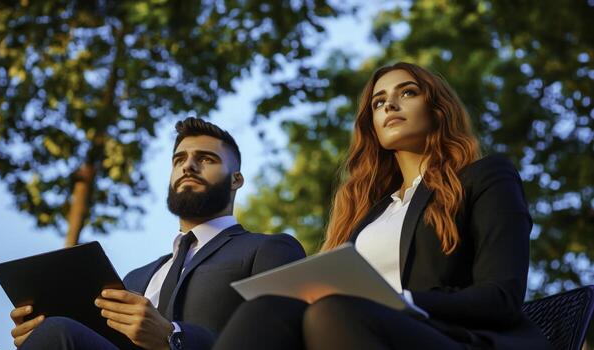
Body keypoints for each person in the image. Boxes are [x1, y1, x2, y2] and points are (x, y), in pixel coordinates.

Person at [211, 62, 552, 350]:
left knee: (332, 310)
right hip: (350, 330)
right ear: (371, 125)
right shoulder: (370, 213)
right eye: (378, 102)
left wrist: (399, 299)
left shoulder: (486, 176)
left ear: (437, 108)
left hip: (454, 338)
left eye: (407, 93)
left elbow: (501, 298)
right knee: (266, 309)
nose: (390, 105)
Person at [8, 117, 306, 350]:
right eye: (179, 160)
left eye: (206, 159)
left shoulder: (269, 249)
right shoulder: (135, 278)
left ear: (236, 180)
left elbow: (282, 339)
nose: (188, 166)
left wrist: (172, 338)